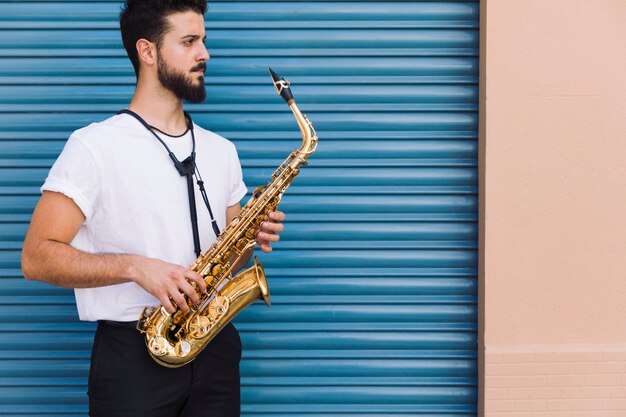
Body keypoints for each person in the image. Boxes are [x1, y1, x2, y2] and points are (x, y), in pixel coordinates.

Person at [20, 0, 285, 415]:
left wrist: (250, 236)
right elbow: (36, 257)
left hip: (214, 349)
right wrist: (137, 267)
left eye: (204, 40)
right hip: (133, 359)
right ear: (147, 51)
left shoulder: (222, 151)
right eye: (189, 41)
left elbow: (233, 261)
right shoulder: (94, 146)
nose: (205, 54)